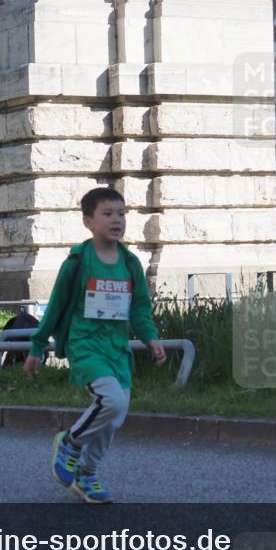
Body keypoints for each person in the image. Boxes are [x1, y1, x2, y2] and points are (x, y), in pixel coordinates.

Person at [23, 187, 167, 504]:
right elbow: (57, 305)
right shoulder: (78, 262)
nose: (117, 220)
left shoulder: (130, 263)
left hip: (117, 348)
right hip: (85, 344)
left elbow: (140, 309)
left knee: (114, 416)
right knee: (111, 401)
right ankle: (70, 443)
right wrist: (37, 344)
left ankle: (86, 474)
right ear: (88, 221)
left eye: (121, 214)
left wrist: (151, 338)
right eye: (108, 213)